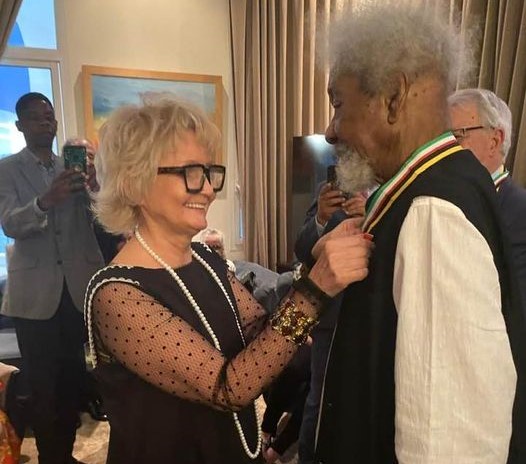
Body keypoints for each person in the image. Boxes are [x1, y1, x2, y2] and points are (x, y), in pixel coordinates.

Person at [84, 96, 372, 463]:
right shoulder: (116, 294)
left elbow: (259, 331)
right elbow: (228, 386)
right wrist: (315, 289)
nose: (208, 189)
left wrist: (311, 268)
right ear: (134, 182)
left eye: (209, 172)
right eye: (191, 172)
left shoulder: (203, 258)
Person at [311, 4, 526, 463]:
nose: (330, 131)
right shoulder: (443, 183)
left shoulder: (431, 212)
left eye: (338, 104)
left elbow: (446, 439)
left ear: (393, 97)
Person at [0, 93, 105, 464]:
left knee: (72, 382)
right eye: (35, 117)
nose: (45, 122)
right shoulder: (6, 169)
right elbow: (9, 223)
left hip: (76, 291)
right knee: (43, 387)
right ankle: (51, 458)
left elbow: (103, 218)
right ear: (20, 126)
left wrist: (95, 184)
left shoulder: (73, 168)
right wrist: (45, 201)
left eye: (49, 116)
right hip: (34, 298)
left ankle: (66, 454)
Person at [449, 88, 526, 310]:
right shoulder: (441, 199)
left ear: (494, 141)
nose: (444, 149)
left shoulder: (520, 212)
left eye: (457, 136)